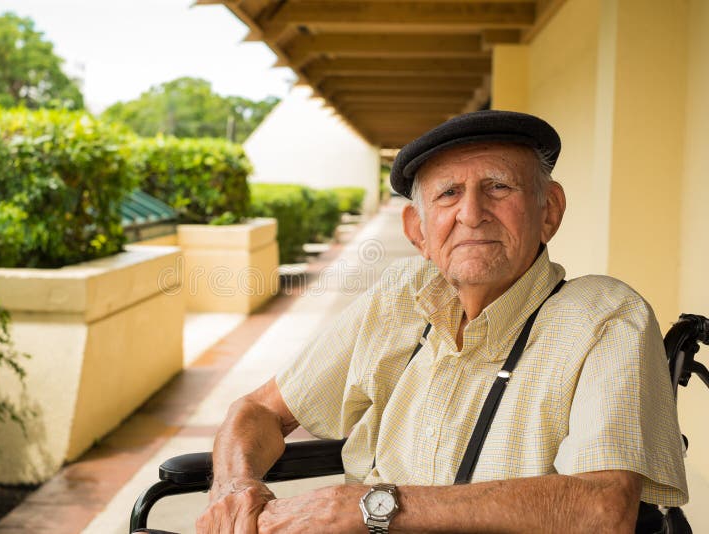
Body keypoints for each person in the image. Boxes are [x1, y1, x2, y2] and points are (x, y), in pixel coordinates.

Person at [195, 110, 688, 533]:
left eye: (499, 187)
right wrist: (234, 485)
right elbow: (258, 409)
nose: (472, 213)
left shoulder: (603, 315)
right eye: (448, 194)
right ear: (419, 232)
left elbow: (603, 508)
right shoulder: (400, 295)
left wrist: (369, 508)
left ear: (549, 210)